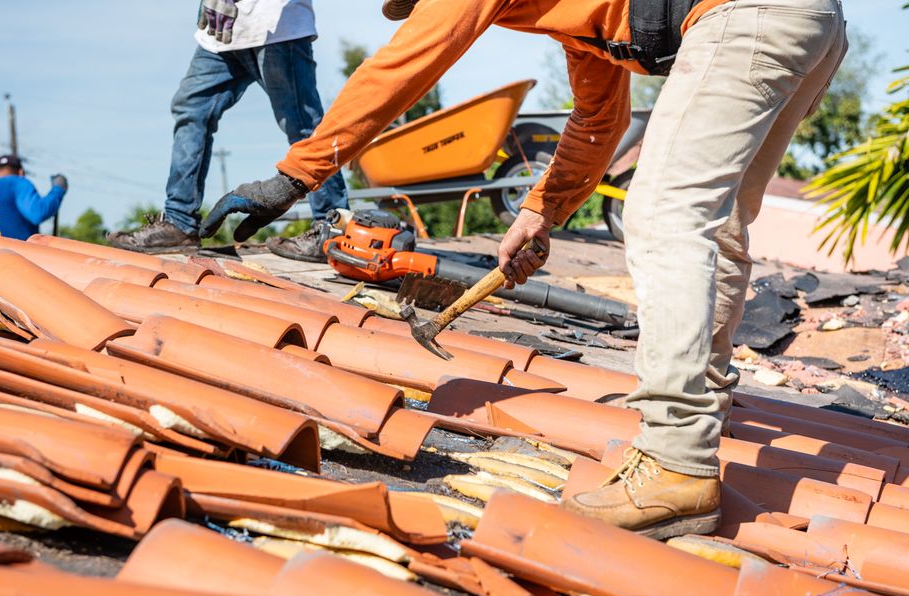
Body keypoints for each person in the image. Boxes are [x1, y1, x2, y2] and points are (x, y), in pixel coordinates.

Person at [197, 0, 848, 539]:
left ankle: (677, 458)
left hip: (748, 14)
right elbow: (599, 117)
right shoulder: (578, 16)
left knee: (666, 213)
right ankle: (692, 421)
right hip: (806, 21)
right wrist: (541, 211)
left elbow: (408, 62)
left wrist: (297, 174)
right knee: (717, 224)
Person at [108, 0, 348, 254]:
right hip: (221, 33)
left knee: (304, 128)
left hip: (278, 29)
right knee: (191, 109)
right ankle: (179, 223)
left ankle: (332, 229)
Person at [0, 154, 67, 241]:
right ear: (21, 172)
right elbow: (37, 213)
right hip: (18, 255)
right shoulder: (18, 183)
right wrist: (58, 189)